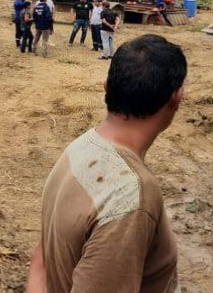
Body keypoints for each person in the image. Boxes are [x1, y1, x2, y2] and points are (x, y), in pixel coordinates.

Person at [26, 35, 187, 293]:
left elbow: (41, 262)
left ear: (107, 88)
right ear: (177, 98)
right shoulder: (131, 195)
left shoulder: (79, 149)